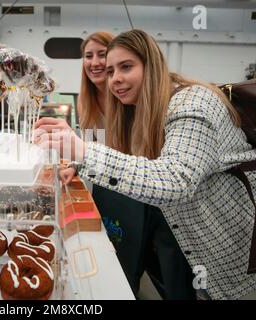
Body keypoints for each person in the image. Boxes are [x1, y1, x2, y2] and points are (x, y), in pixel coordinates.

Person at [35, 29, 256, 300]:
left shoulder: (193, 103)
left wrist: (85, 153)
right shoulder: (137, 110)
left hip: (234, 255)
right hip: (196, 244)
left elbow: (176, 180)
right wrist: (80, 160)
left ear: (152, 66)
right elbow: (136, 162)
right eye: (111, 71)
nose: (115, 79)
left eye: (126, 67)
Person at [62, 31, 168, 298]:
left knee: (149, 262)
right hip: (112, 186)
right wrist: (76, 162)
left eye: (102, 55)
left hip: (143, 186)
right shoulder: (87, 100)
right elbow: (92, 147)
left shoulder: (130, 97)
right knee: (117, 256)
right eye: (88, 56)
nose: (95, 62)